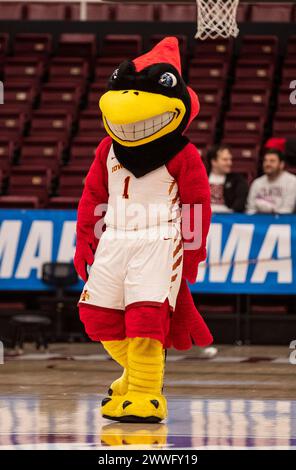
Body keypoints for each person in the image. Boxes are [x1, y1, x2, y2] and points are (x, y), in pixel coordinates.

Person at [74, 37, 213, 423]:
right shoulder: (107, 149)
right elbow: (92, 196)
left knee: (146, 320)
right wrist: (86, 239)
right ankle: (134, 378)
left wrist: (192, 252)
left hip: (159, 239)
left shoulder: (184, 154)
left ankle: (146, 395)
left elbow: (197, 206)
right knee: (96, 316)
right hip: (115, 238)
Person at [247, 148, 296, 214]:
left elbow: (287, 210)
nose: (268, 164)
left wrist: (270, 210)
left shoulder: (292, 181)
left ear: (281, 164)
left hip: (282, 222)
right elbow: (250, 209)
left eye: (272, 161)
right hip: (259, 222)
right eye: (265, 161)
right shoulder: (257, 183)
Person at [207, 145, 249, 213]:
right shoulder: (200, 179)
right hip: (202, 219)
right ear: (214, 162)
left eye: (230, 159)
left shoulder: (238, 180)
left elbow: (239, 205)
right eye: (225, 160)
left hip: (227, 220)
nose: (230, 163)